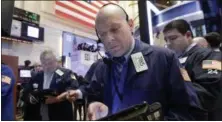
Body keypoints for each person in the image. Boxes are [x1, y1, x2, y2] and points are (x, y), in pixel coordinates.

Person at [64, 4, 201, 120]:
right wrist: (95, 104)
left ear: (130, 25)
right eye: (103, 34)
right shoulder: (102, 66)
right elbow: (93, 93)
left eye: (114, 29)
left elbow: (188, 109)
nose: (109, 39)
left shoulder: (164, 59)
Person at [163, 19, 222, 120]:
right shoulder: (173, 60)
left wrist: (172, 97)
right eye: (166, 40)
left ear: (188, 35)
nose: (168, 43)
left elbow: (209, 91)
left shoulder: (209, 55)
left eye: (173, 38)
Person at [22, 50, 79, 120]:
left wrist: (57, 99)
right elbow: (26, 92)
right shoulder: (38, 76)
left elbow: (73, 88)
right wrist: (32, 99)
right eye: (44, 63)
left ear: (55, 61)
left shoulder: (65, 73)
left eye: (50, 63)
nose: (47, 66)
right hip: (39, 115)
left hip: (60, 115)